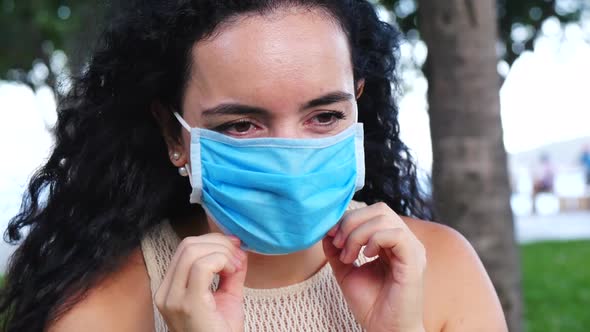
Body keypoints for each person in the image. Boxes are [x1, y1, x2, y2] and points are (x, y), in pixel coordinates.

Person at [0, 1, 507, 331]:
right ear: (175, 134)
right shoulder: (103, 305)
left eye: (325, 115)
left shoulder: (440, 267)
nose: (289, 156)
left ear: (358, 105)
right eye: (241, 125)